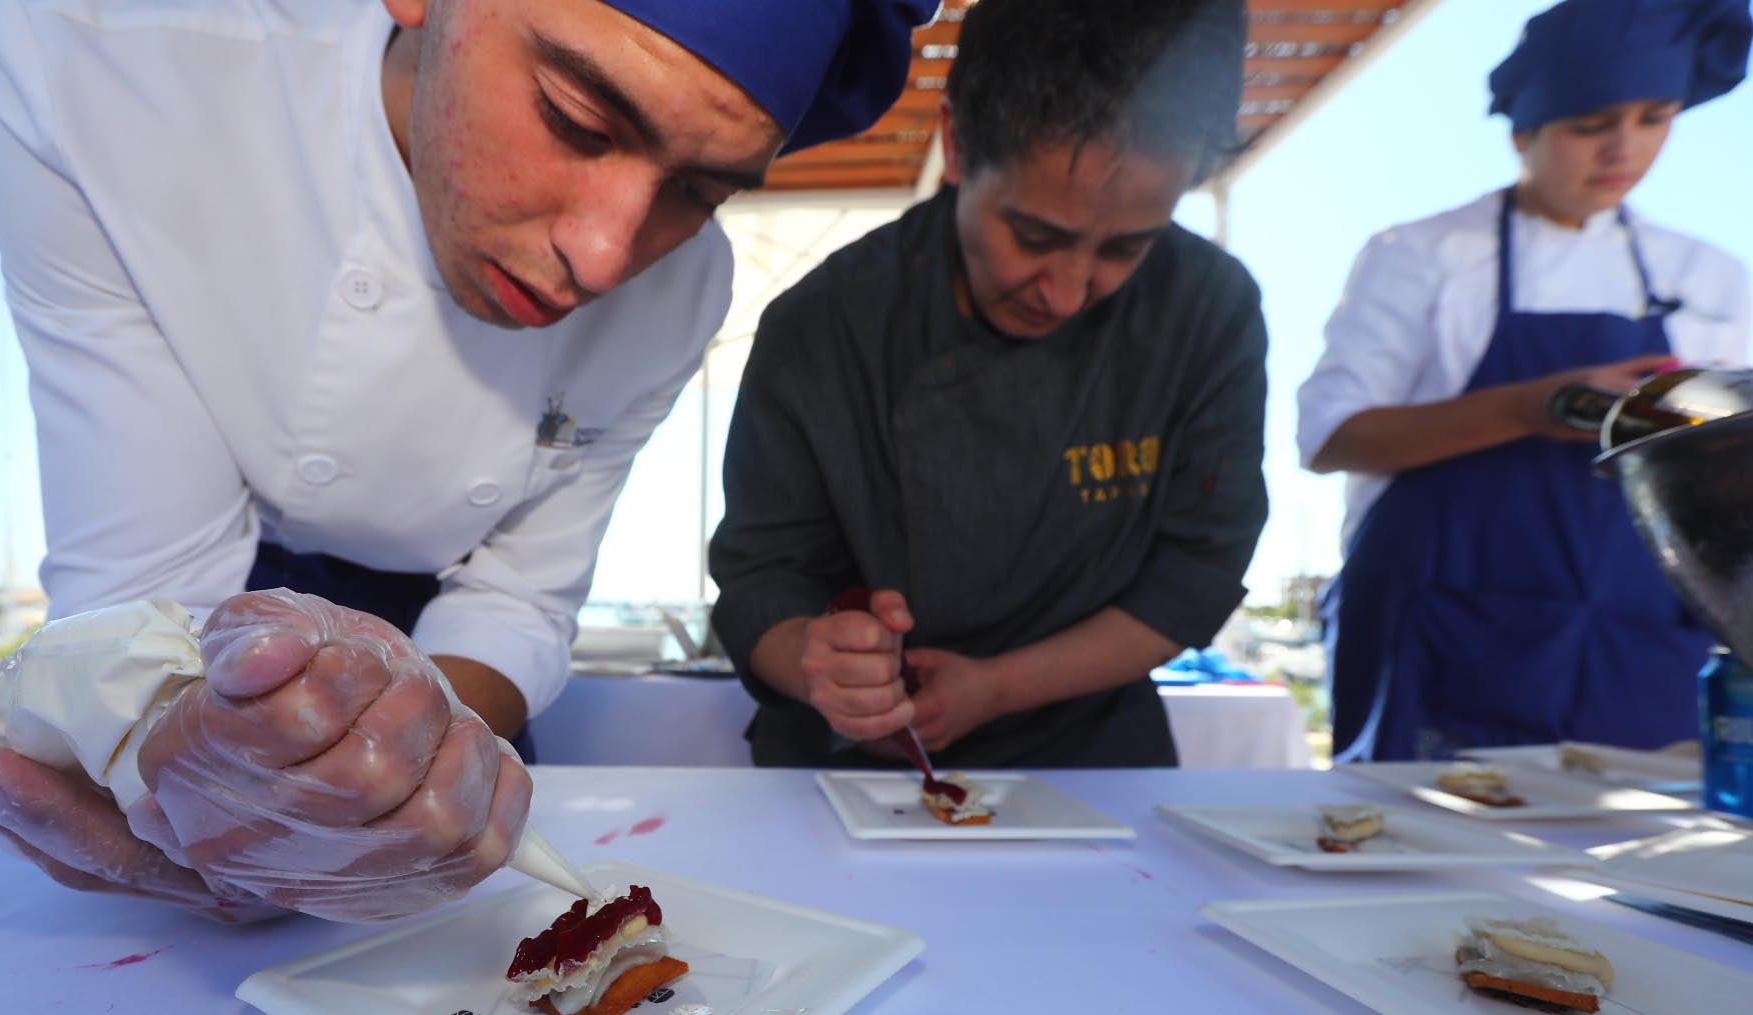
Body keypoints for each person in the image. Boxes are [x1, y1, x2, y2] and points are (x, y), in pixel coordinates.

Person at [0, 0, 936, 920]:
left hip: (450, 675)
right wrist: (194, 760)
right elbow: (141, 601)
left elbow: (520, 597)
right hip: (216, 626)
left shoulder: (682, 292)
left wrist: (414, 753)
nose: (606, 255)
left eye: (700, 191)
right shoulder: (102, 71)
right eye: (576, 119)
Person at [709, 0, 1269, 769]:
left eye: (1126, 248)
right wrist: (820, 660)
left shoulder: (1209, 309)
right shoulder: (822, 324)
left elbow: (1198, 571)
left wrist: (997, 686)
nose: (1068, 293)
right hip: (848, 770)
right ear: (958, 143)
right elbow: (758, 581)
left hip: (1098, 764)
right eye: (1036, 237)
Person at [1298, 0, 1753, 761]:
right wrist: (1531, 404)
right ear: (1525, 130)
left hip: (1636, 651)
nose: (1623, 148)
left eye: (1654, 117)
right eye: (1589, 124)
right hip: (1445, 643)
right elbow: (1332, 437)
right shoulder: (1423, 255)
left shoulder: (1709, 277)